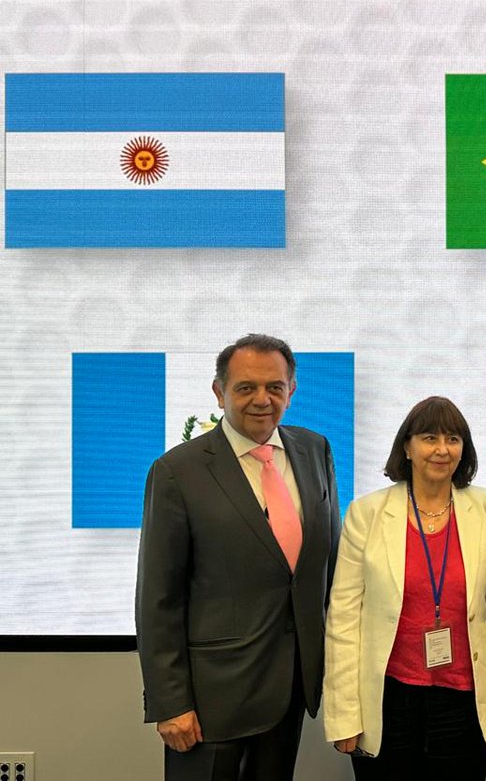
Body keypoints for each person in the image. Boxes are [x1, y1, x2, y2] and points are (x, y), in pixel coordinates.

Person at [136, 333, 341, 781]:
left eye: (275, 387)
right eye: (246, 387)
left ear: (292, 390)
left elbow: (326, 565)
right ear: (219, 392)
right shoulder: (177, 471)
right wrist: (171, 702)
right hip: (212, 699)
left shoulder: (314, 450)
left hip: (291, 686)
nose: (262, 399)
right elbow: (159, 597)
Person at [323, 396, 486, 779]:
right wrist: (344, 714)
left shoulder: (485, 507)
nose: (442, 450)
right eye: (429, 437)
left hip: (464, 699)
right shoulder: (368, 513)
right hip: (387, 699)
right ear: (407, 447)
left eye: (453, 438)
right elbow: (343, 620)